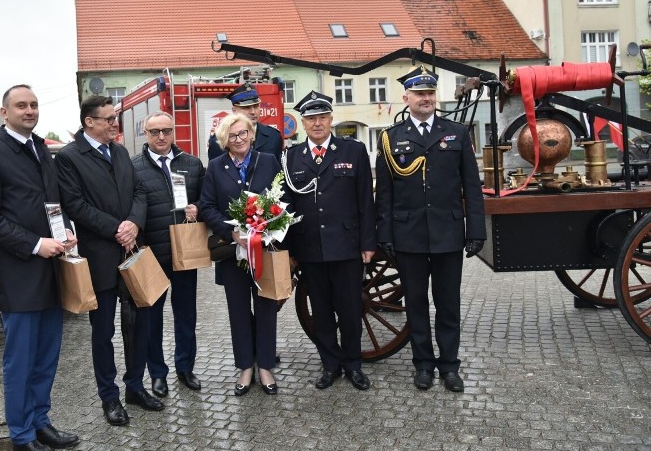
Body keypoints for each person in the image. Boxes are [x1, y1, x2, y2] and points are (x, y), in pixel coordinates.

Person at [0, 85, 79, 451]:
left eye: (33, 105)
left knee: (47, 356)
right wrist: (35, 244)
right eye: (21, 106)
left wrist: (66, 232)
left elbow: (52, 203)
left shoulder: (42, 150)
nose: (29, 111)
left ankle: (41, 421)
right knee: (20, 361)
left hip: (51, 270)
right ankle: (20, 435)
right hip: (18, 275)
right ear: (4, 112)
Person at [374, 66, 486, 393]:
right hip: (408, 235)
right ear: (406, 97)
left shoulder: (457, 133)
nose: (426, 98)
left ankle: (449, 366)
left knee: (448, 304)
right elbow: (385, 192)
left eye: (430, 93)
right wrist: (385, 234)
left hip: (448, 234)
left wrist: (475, 230)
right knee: (416, 305)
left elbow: (471, 188)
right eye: (419, 93)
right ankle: (423, 365)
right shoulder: (391, 138)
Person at [55, 95, 159, 427]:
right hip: (99, 258)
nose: (114, 124)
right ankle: (109, 397)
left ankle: (135, 387)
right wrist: (118, 229)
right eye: (108, 119)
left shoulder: (120, 152)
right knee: (103, 332)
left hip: (132, 253)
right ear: (89, 122)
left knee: (139, 324)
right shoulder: (70, 158)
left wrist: (133, 224)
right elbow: (75, 205)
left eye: (114, 119)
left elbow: (139, 192)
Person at [280, 91, 375, 392]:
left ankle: (353, 365)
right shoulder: (291, 157)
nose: (317, 123)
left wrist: (368, 243)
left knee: (349, 311)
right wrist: (290, 251)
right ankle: (330, 365)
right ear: (303, 123)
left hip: (346, 245)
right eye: (311, 118)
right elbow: (286, 206)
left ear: (331, 119)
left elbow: (365, 200)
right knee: (321, 313)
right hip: (310, 248)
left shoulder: (353, 150)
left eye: (322, 117)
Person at [198, 113, 282, 396]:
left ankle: (266, 366)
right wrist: (230, 231)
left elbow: (281, 199)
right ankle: (246, 366)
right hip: (232, 252)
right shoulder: (215, 167)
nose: (238, 140)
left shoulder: (268, 161)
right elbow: (207, 206)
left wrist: (270, 224)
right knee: (238, 310)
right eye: (232, 136)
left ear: (251, 134)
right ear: (225, 140)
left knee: (267, 308)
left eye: (242, 133)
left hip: (264, 250)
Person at [130, 111, 206, 397]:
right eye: (154, 132)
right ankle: (157, 374)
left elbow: (206, 197)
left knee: (186, 314)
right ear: (145, 135)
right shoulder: (133, 166)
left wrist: (198, 207)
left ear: (173, 132)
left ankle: (185, 368)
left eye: (166, 131)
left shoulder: (192, 163)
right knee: (152, 318)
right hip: (151, 253)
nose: (161, 137)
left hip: (185, 251)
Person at [207, 84, 283, 161]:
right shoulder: (219, 139)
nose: (253, 112)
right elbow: (214, 170)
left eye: (256, 106)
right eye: (246, 107)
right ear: (234, 110)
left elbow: (278, 171)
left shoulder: (273, 136)